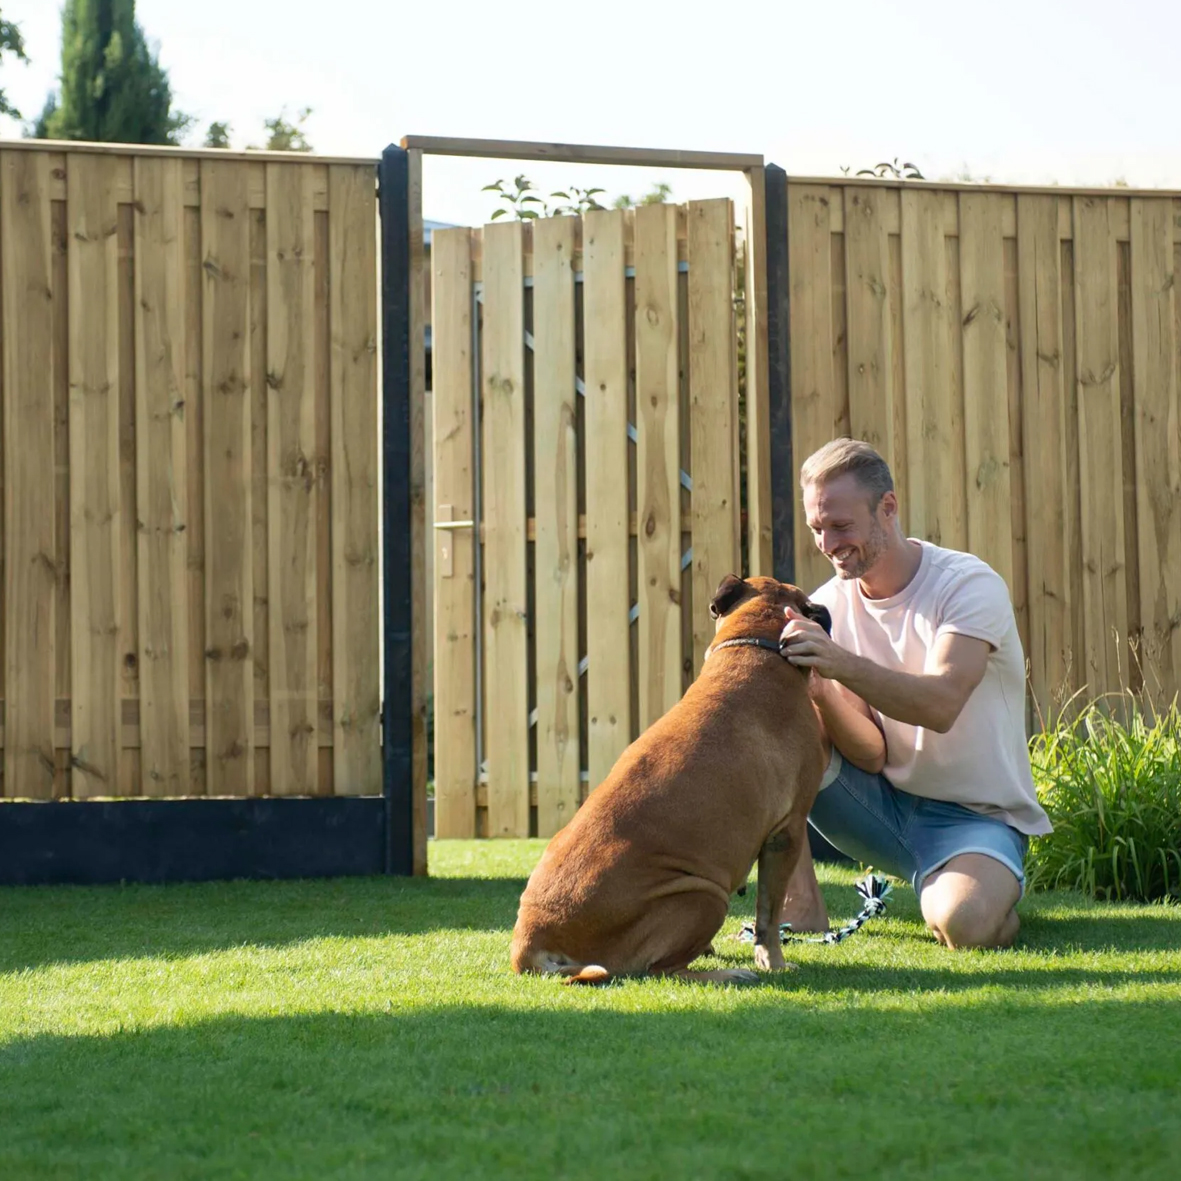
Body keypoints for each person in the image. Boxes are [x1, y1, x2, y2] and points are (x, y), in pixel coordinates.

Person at [776, 438, 1051, 950]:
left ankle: (973, 891)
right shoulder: (828, 605)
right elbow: (871, 753)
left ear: (888, 507)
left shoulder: (967, 586)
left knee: (963, 925)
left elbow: (940, 705)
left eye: (840, 525)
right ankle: (800, 906)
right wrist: (823, 692)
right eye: (817, 528)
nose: (827, 543)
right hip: (877, 811)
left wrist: (838, 663)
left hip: (977, 818)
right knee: (782, 724)